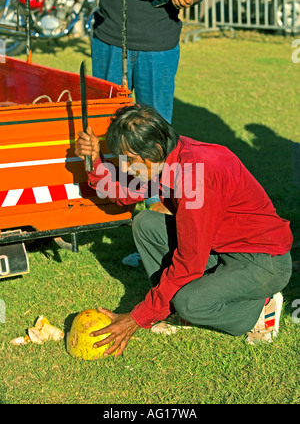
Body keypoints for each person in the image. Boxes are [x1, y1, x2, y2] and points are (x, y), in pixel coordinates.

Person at [75, 105, 293, 357]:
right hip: (222, 249)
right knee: (145, 223)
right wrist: (93, 159)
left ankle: (259, 310)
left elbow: (190, 262)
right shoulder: (167, 155)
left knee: (189, 303)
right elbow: (125, 194)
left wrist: (136, 318)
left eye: (129, 160)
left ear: (155, 149)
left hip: (264, 262)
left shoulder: (195, 178)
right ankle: (169, 307)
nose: (124, 168)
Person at [83, 0, 206, 212]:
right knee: (107, 123)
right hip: (112, 40)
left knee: (157, 126)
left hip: (160, 44)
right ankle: (108, 194)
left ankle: (157, 200)